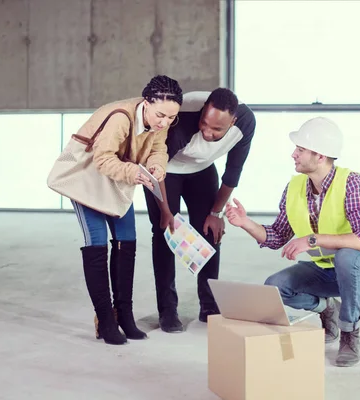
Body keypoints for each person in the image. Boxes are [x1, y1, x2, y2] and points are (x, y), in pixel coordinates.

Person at [224, 117, 360, 367]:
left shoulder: (351, 183)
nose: (294, 154)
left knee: (347, 256)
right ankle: (326, 307)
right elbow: (278, 236)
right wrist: (245, 222)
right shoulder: (294, 187)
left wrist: (312, 240)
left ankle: (349, 334)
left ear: (321, 156)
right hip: (328, 271)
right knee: (275, 287)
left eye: (300, 149)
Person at [68, 75, 183, 345]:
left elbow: (158, 149)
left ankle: (125, 316)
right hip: (88, 182)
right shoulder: (121, 118)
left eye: (171, 118)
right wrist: (135, 171)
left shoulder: (161, 121)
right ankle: (105, 320)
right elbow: (103, 158)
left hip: (119, 180)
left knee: (127, 242)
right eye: (160, 115)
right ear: (146, 102)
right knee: (96, 244)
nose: (164, 123)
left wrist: (157, 167)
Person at [143, 88, 256, 333]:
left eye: (216, 130)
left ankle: (209, 305)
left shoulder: (245, 123)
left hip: (201, 169)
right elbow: (155, 163)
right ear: (203, 110)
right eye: (204, 123)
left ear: (232, 121)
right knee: (164, 234)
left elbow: (233, 172)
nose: (207, 132)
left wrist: (216, 214)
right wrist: (165, 210)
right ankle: (168, 311)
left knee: (210, 232)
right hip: (165, 170)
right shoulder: (184, 118)